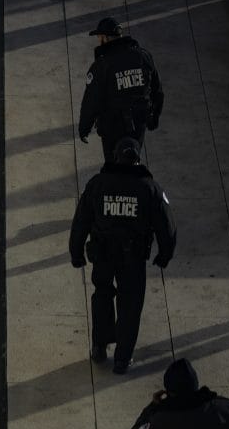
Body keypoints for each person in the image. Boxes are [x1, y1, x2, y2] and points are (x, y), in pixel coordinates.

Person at [68, 137, 176, 374]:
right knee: (130, 304)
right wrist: (164, 254)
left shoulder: (98, 184)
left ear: (115, 156)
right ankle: (122, 358)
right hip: (133, 257)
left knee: (102, 296)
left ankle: (99, 345)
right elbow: (166, 225)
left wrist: (76, 253)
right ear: (137, 159)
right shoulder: (149, 188)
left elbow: (81, 221)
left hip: (103, 254)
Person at [78, 17, 164, 163]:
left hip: (112, 125)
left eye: (99, 37)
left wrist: (84, 128)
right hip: (139, 123)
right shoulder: (143, 56)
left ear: (104, 38)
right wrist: (154, 116)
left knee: (113, 167)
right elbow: (157, 90)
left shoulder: (101, 65)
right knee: (133, 160)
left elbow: (91, 101)